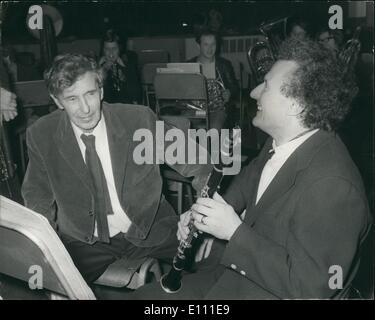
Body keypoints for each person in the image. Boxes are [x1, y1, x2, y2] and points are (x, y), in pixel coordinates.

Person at [127, 38, 372, 299]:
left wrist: (233, 231)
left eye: (266, 86)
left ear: (295, 106)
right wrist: (202, 214)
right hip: (239, 277)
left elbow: (312, 288)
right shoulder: (280, 142)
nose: (254, 92)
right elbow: (245, 186)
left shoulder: (334, 186)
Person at [21, 53, 212, 285]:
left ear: (101, 90)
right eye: (72, 99)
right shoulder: (42, 134)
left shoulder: (139, 120)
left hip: (151, 228)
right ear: (58, 101)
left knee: (213, 263)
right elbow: (38, 197)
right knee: (45, 281)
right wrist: (45, 245)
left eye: (90, 94)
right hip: (83, 242)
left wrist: (201, 214)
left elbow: (200, 163)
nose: (85, 109)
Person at [187, 29, 239, 131]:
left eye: (213, 44)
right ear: (199, 46)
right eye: (206, 45)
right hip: (194, 109)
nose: (210, 49)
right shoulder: (189, 65)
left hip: (218, 110)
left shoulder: (224, 65)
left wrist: (229, 92)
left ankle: (211, 147)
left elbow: (234, 88)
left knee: (214, 129)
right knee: (182, 126)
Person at [99, 29, 142, 104]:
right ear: (103, 50)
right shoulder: (96, 68)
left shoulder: (128, 66)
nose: (111, 53)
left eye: (114, 49)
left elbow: (137, 96)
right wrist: (103, 71)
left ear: (119, 49)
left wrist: (124, 80)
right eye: (107, 49)